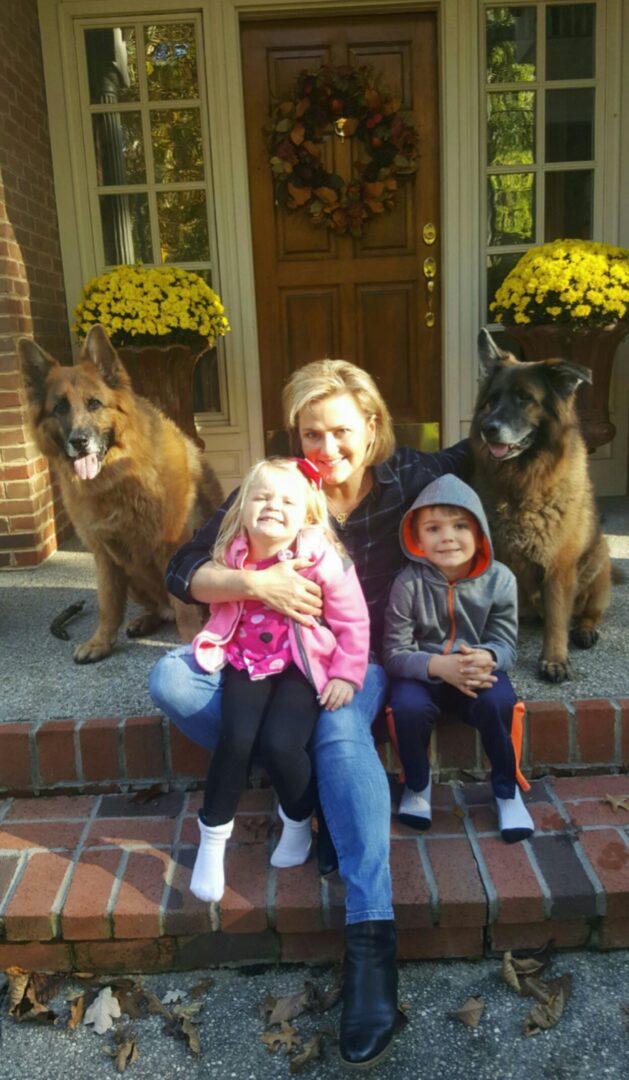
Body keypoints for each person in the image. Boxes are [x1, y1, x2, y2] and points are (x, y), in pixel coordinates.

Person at [149, 359, 471, 1069]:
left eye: (340, 432)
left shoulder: (408, 477)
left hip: (360, 660)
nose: (324, 448)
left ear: (373, 427)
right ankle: (305, 778)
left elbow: (489, 461)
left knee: (340, 732)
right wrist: (250, 580)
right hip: (265, 659)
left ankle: (370, 942)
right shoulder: (276, 486)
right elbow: (182, 566)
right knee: (169, 679)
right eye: (309, 432)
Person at [188, 456, 369, 902]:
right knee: (237, 738)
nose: (273, 506)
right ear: (242, 505)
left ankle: (296, 819)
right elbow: (208, 592)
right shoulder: (231, 550)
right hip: (246, 660)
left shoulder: (321, 556)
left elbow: (354, 620)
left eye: (287, 500)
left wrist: (347, 673)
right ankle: (212, 843)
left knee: (281, 743)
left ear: (307, 513)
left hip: (301, 665)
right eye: (262, 496)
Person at [383, 474, 534, 843]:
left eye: (460, 526)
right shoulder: (408, 583)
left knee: (499, 701)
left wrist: (488, 656)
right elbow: (394, 652)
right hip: (423, 674)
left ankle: (505, 789)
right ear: (416, 539)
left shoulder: (500, 579)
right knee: (406, 707)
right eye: (433, 528)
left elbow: (506, 644)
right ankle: (417, 785)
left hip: (476, 673)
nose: (447, 537)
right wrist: (437, 666)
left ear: (480, 532)